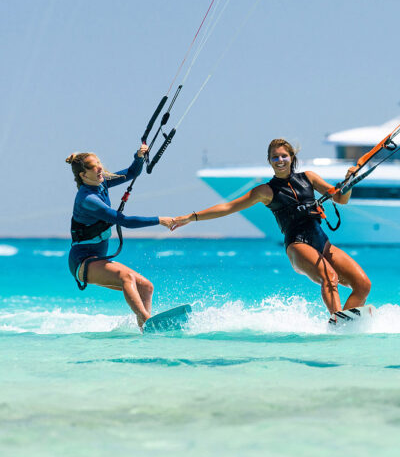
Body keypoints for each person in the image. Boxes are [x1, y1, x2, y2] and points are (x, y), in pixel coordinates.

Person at [172, 138, 371, 317]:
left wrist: (349, 182)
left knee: (363, 284)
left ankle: (345, 323)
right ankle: (338, 319)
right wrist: (191, 217)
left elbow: (340, 199)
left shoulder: (309, 177)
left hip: (322, 242)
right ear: (269, 161)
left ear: (292, 157)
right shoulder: (265, 190)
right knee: (330, 277)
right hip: (297, 244)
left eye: (284, 156)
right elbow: (228, 207)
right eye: (275, 157)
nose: (280, 160)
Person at [66, 144, 174, 329]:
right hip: (82, 261)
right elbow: (125, 221)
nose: (100, 167)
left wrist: (139, 156)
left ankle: (144, 330)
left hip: (97, 258)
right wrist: (159, 220)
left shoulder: (101, 183)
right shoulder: (88, 200)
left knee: (146, 287)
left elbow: (132, 172)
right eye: (93, 166)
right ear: (83, 175)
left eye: (99, 163)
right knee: (126, 277)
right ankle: (148, 321)